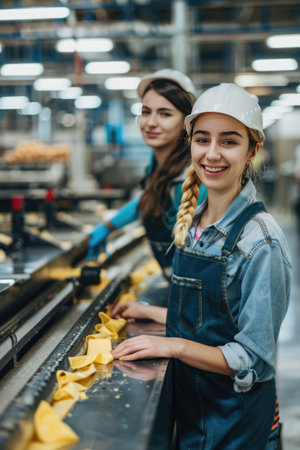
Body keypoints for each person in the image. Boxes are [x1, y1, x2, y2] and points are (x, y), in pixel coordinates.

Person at [111, 83, 292, 449]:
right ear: (190, 143)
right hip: (196, 410)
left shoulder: (261, 242)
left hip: (235, 421)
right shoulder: (193, 222)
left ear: (252, 149)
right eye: (202, 139)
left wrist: (174, 346)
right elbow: (212, 319)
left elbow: (251, 357)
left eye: (229, 141)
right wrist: (154, 312)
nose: (212, 154)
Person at [87, 69, 207, 282]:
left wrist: (155, 312)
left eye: (165, 114)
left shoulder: (191, 180)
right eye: (145, 111)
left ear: (185, 122)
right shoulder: (159, 162)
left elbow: (204, 271)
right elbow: (152, 196)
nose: (151, 122)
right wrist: (109, 225)